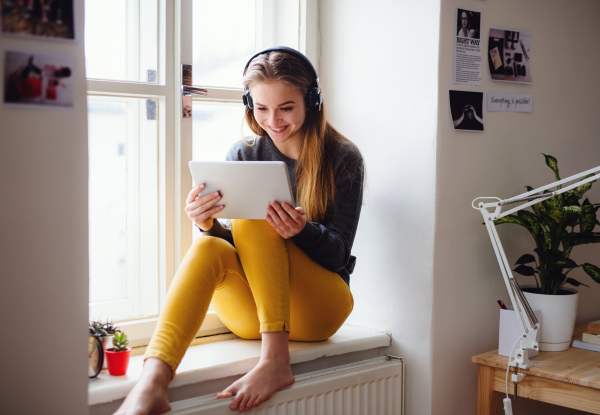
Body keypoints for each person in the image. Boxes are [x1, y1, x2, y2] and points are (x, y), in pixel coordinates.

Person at [114, 46, 365, 415]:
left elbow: (338, 253)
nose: (273, 120)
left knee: (258, 218)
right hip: (257, 314)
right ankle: (151, 382)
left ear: (312, 101)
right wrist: (207, 224)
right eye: (261, 108)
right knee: (208, 248)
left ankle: (275, 362)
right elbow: (244, 251)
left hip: (320, 309)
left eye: (286, 107)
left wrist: (299, 231)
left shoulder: (343, 157)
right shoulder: (245, 153)